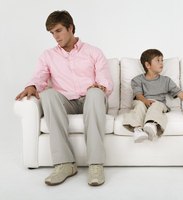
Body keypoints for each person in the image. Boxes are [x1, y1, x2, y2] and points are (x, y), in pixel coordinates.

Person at [15, 10, 113, 186]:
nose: (55, 36)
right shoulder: (48, 55)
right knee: (48, 94)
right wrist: (32, 86)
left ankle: (95, 165)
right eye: (52, 33)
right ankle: (65, 164)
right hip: (66, 101)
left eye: (58, 30)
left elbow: (105, 80)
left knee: (95, 93)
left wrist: (99, 86)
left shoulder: (93, 52)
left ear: (71, 28)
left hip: (92, 101)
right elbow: (40, 76)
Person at [123, 49, 183, 143]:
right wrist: (145, 101)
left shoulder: (166, 80)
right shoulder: (137, 80)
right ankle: (137, 130)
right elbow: (138, 95)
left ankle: (151, 125)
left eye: (162, 60)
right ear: (148, 65)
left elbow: (181, 94)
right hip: (142, 101)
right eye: (158, 60)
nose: (161, 63)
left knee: (156, 105)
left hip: (157, 103)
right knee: (139, 106)